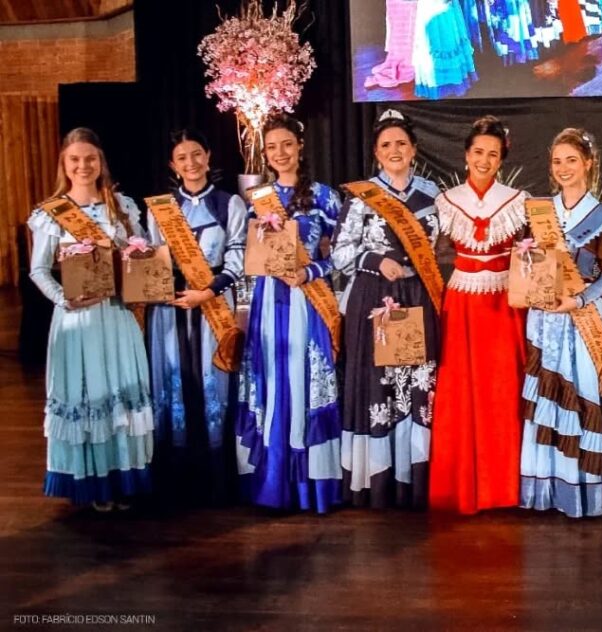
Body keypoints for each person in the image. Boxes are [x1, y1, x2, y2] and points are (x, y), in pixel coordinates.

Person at [28, 128, 154, 510]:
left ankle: (123, 477)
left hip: (117, 317)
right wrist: (64, 300)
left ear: (101, 162)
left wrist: (139, 266)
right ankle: (94, 483)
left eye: (90, 159)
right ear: (64, 164)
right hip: (78, 321)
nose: (83, 166)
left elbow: (141, 253)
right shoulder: (52, 213)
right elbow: (38, 270)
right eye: (75, 159)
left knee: (120, 392)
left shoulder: (122, 206)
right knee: (89, 393)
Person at [234, 114, 344, 513]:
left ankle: (311, 487)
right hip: (268, 301)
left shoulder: (325, 197)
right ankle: (272, 481)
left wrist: (309, 272)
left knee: (304, 380)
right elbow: (246, 254)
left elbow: (343, 254)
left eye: (286, 144)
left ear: (300, 146)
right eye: (272, 147)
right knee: (272, 380)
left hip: (308, 299)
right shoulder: (258, 199)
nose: (280, 153)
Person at [333, 110, 441, 509]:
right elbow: (339, 254)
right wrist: (376, 260)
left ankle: (415, 479)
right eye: (386, 145)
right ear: (376, 153)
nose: (394, 151)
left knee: (417, 386)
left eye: (401, 143)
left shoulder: (432, 195)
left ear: (413, 149)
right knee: (379, 386)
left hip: (417, 297)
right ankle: (378, 481)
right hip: (375, 299)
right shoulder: (362, 196)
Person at [429, 115, 528, 514]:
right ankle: (462, 484)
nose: (484, 160)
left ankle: (503, 486)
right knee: (461, 389)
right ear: (466, 155)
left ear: (502, 159)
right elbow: (433, 252)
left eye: (493, 154)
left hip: (504, 302)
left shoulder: (517, 201)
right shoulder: (446, 201)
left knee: (503, 389)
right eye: (478, 152)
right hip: (462, 304)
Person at [519, 127, 602, 518]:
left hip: (583, 316)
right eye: (557, 161)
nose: (563, 168)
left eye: (571, 160)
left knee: (581, 393)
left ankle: (579, 488)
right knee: (547, 391)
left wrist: (578, 299)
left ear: (588, 163)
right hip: (545, 317)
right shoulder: (539, 211)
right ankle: (544, 484)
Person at [146, 128, 246, 506]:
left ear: (208, 157)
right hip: (171, 305)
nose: (190, 163)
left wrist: (208, 291)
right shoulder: (160, 209)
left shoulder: (229, 203)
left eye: (196, 154)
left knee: (213, 381)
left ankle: (217, 479)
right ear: (173, 165)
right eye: (182, 158)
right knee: (173, 378)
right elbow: (153, 257)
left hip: (213, 302)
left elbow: (237, 255)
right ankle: (176, 477)